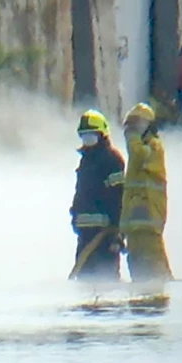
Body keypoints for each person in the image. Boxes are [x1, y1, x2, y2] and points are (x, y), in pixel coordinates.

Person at [69, 110, 126, 282]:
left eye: (91, 135)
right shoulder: (85, 161)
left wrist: (118, 233)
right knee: (84, 282)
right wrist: (74, 215)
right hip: (85, 236)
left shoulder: (112, 160)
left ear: (102, 134)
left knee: (106, 282)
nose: (87, 140)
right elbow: (81, 193)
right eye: (84, 135)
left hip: (105, 236)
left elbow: (119, 197)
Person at [120, 103, 173, 282]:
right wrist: (122, 226)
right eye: (130, 126)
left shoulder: (153, 147)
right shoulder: (136, 155)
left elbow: (138, 155)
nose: (132, 130)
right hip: (134, 229)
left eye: (137, 125)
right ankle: (140, 308)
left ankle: (159, 303)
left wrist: (132, 138)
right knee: (138, 273)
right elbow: (128, 194)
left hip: (149, 224)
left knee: (156, 270)